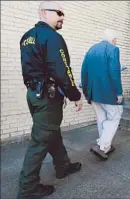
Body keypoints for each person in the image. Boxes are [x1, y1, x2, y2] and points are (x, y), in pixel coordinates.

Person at [17, 1, 83, 198]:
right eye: (59, 13)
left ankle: (63, 166)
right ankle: (28, 188)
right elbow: (63, 70)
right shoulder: (52, 37)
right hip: (48, 97)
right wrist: (75, 95)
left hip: (34, 94)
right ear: (45, 13)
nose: (62, 17)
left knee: (50, 132)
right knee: (40, 142)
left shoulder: (26, 37)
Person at [81, 29, 123, 161]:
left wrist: (86, 92)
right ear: (113, 40)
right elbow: (114, 72)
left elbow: (84, 71)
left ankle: (106, 145)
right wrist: (119, 92)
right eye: (116, 40)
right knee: (115, 116)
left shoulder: (91, 49)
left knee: (101, 118)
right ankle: (102, 146)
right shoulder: (113, 49)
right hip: (107, 92)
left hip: (93, 92)